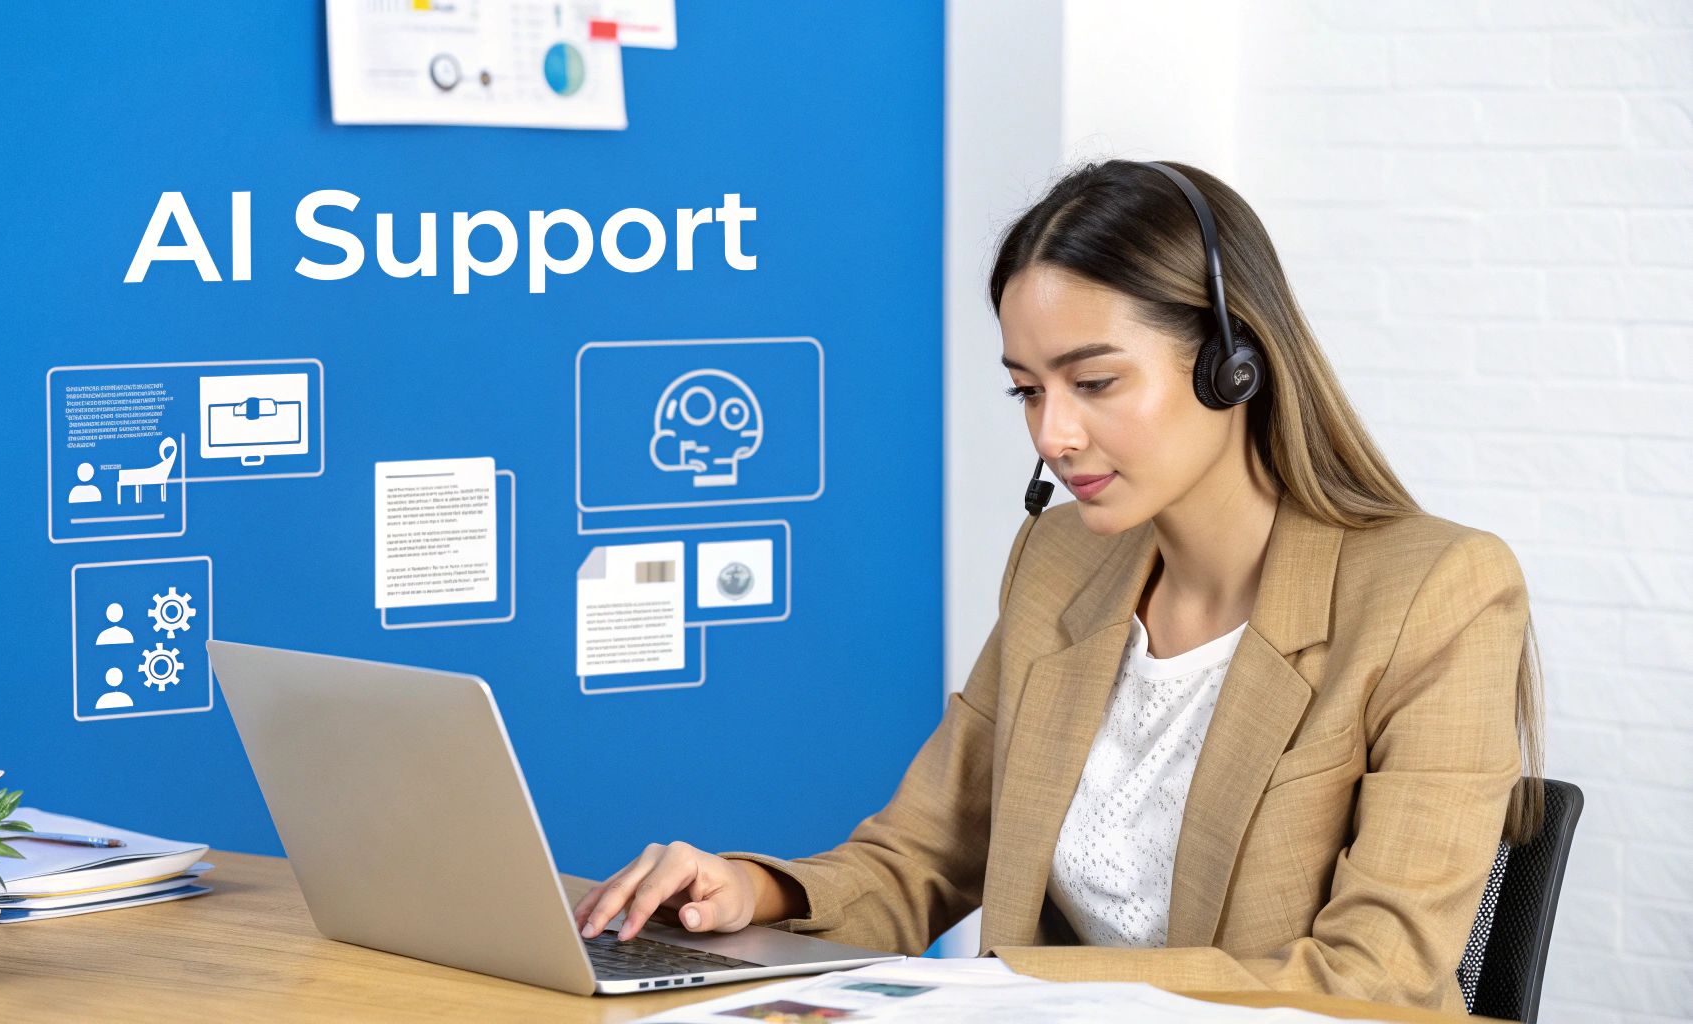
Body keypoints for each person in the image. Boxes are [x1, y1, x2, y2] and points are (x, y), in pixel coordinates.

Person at [573, 159, 1545, 1014]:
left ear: (1231, 364)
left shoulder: (1436, 592)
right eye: (1028, 389)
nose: (1053, 435)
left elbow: (1373, 977)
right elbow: (925, 854)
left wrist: (1014, 989)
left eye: (1095, 382)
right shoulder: (1059, 560)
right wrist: (754, 890)